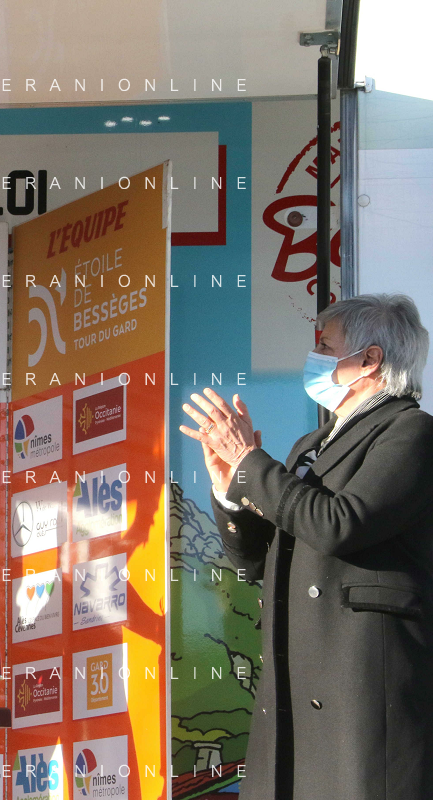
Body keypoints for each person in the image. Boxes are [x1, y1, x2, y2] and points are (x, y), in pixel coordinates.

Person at [179, 293, 433, 800]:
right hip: (293, 695)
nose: (313, 357)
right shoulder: (311, 446)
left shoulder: (411, 431)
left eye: (326, 346)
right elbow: (260, 560)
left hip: (360, 697)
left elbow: (341, 523)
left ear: (369, 359)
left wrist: (250, 462)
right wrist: (231, 490)